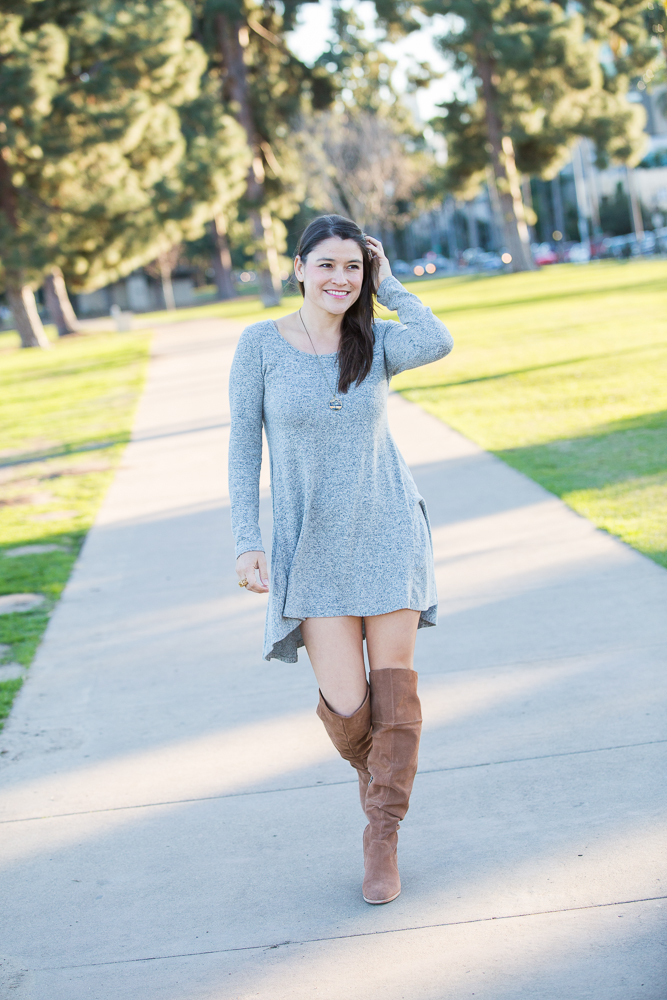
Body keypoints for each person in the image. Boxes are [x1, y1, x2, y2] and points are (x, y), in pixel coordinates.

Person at [228, 214, 453, 904]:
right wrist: (247, 538)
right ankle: (378, 789)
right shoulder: (259, 346)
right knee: (350, 708)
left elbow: (438, 340)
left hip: (387, 529)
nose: (339, 279)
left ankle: (380, 837)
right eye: (326, 265)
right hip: (310, 547)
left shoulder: (378, 340)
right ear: (298, 268)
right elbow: (243, 445)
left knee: (395, 693)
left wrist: (389, 288)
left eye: (352, 267)